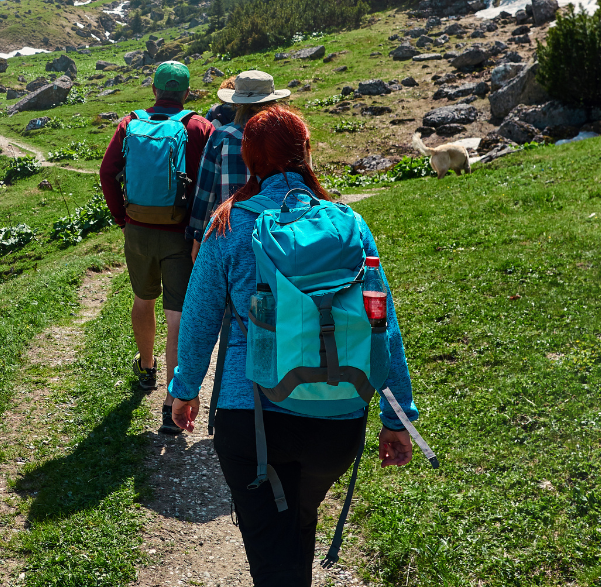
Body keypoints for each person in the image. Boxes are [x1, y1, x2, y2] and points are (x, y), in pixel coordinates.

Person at [169, 106, 418, 587]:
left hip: (254, 416)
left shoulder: (230, 224)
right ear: (305, 153)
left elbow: (199, 318)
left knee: (270, 553)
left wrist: (184, 390)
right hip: (338, 416)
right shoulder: (349, 224)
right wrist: (396, 417)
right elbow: (381, 322)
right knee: (298, 527)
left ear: (250, 159)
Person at [98, 60, 214, 433]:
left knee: (142, 299)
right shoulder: (197, 126)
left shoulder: (130, 123)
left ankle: (146, 368)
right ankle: (170, 402)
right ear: (185, 92)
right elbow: (207, 182)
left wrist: (123, 218)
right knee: (177, 316)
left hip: (138, 229)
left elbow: (106, 172)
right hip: (181, 234)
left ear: (154, 91)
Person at [186, 70, 289, 262]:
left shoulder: (223, 137)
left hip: (231, 231)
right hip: (281, 232)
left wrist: (197, 238)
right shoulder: (288, 136)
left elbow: (205, 192)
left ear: (238, 103)